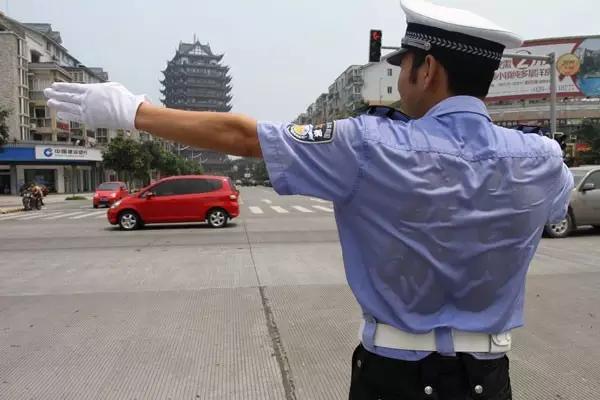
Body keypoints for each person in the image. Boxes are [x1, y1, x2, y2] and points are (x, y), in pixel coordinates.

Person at [44, 0, 574, 398]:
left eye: (403, 65)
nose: (397, 79)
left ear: (428, 70)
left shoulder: (368, 145)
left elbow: (245, 138)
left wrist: (134, 112)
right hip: (489, 380)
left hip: (396, 377)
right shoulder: (544, 159)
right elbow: (552, 212)